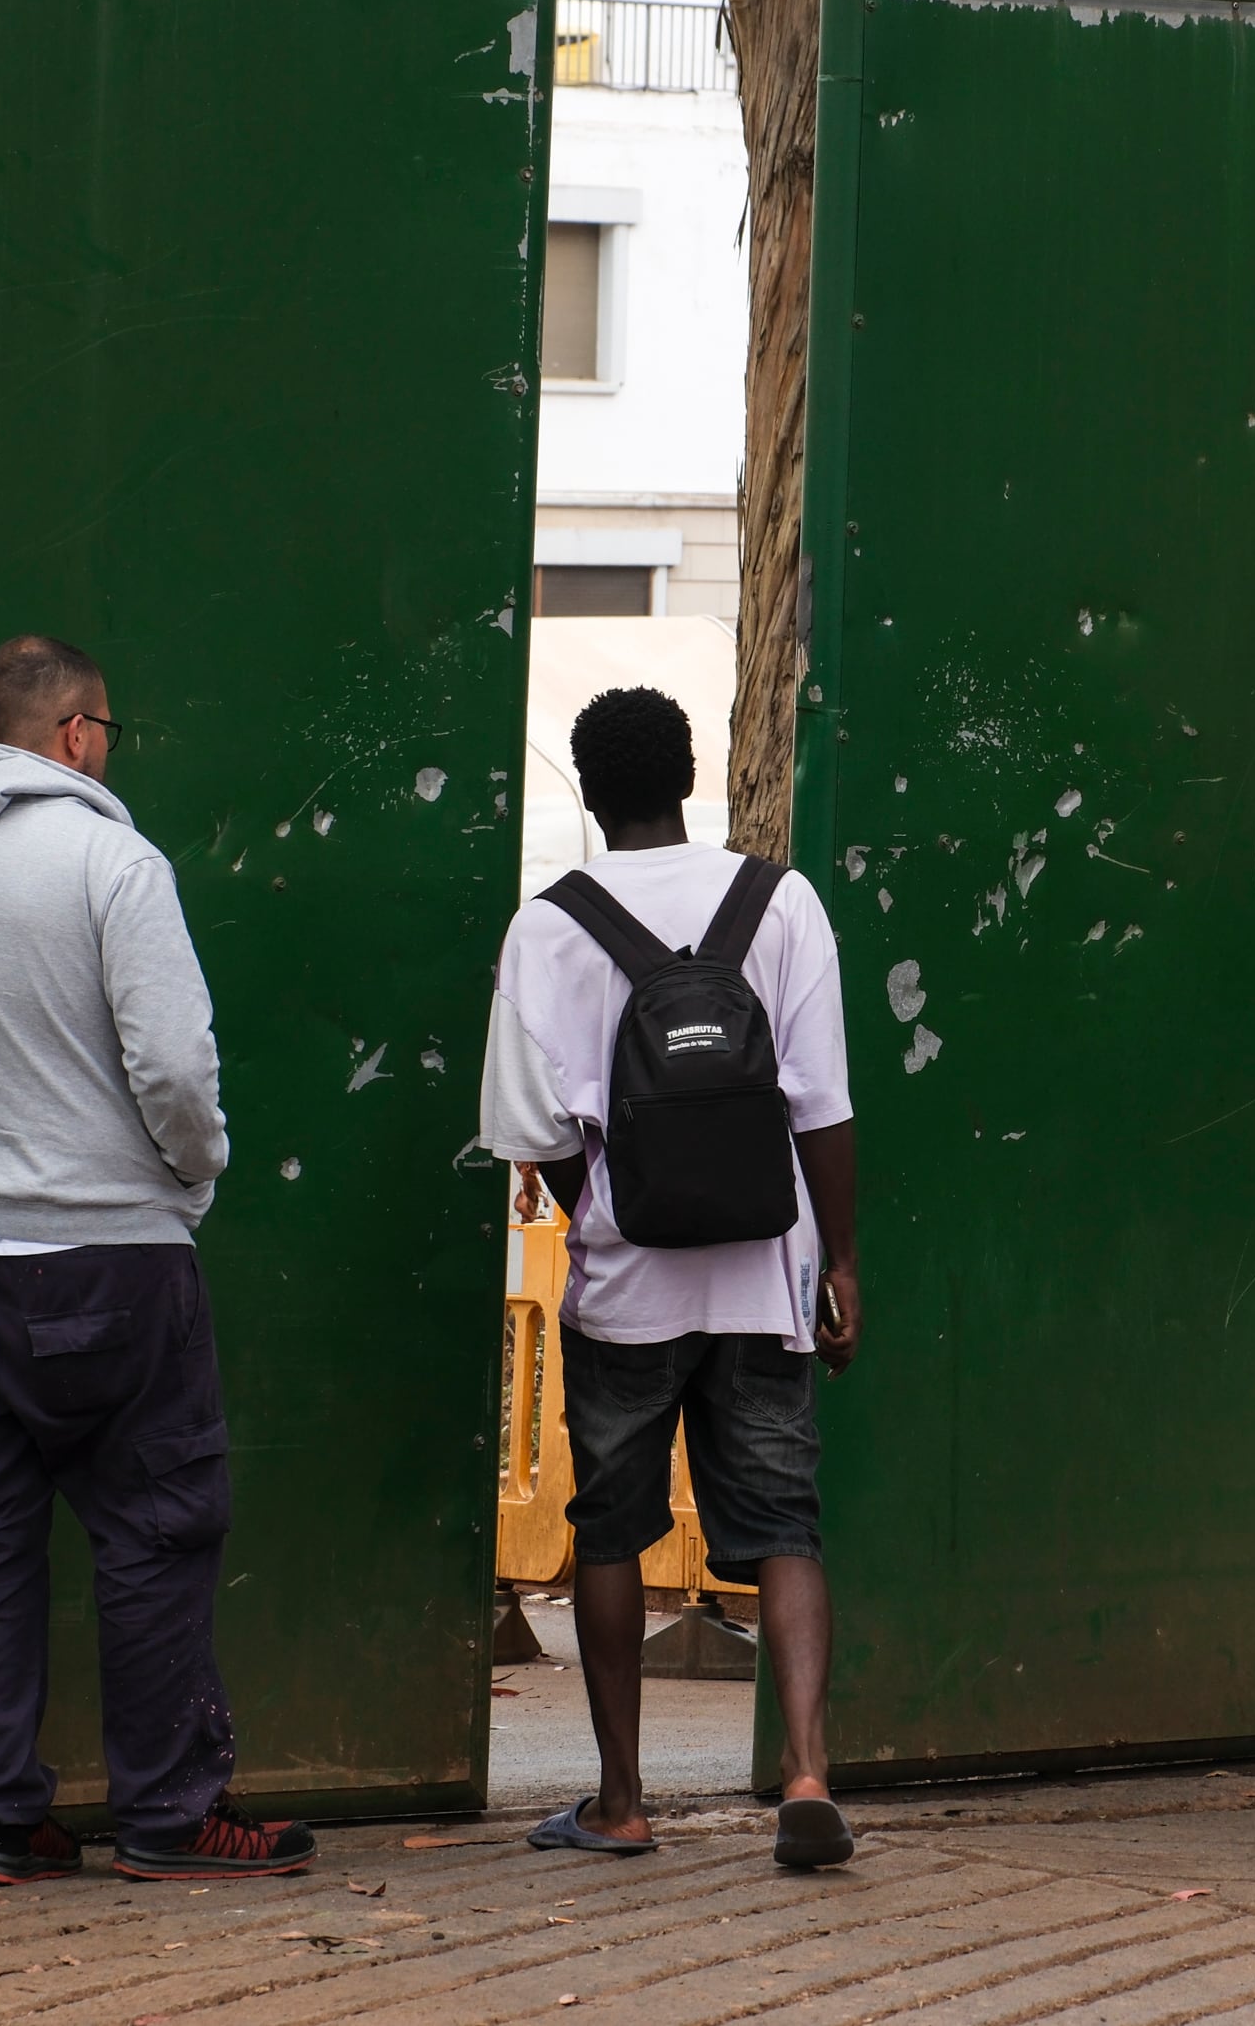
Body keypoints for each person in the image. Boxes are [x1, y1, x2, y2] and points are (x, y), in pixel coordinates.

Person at [0, 634, 312, 1887]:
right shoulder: (115, 862)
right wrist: (189, 1172)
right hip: (116, 1260)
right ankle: (166, 1811)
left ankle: (7, 1819)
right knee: (154, 1527)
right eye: (109, 728)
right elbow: (170, 1064)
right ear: (75, 733)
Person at [475, 686, 863, 1871]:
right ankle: (804, 1770)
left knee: (609, 1530)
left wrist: (603, 1188)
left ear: (590, 794)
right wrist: (838, 1258)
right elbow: (824, 1105)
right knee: (786, 1524)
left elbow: (525, 1123)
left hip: (626, 1288)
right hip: (762, 1277)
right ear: (690, 773)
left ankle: (621, 1799)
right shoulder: (780, 900)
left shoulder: (547, 927)